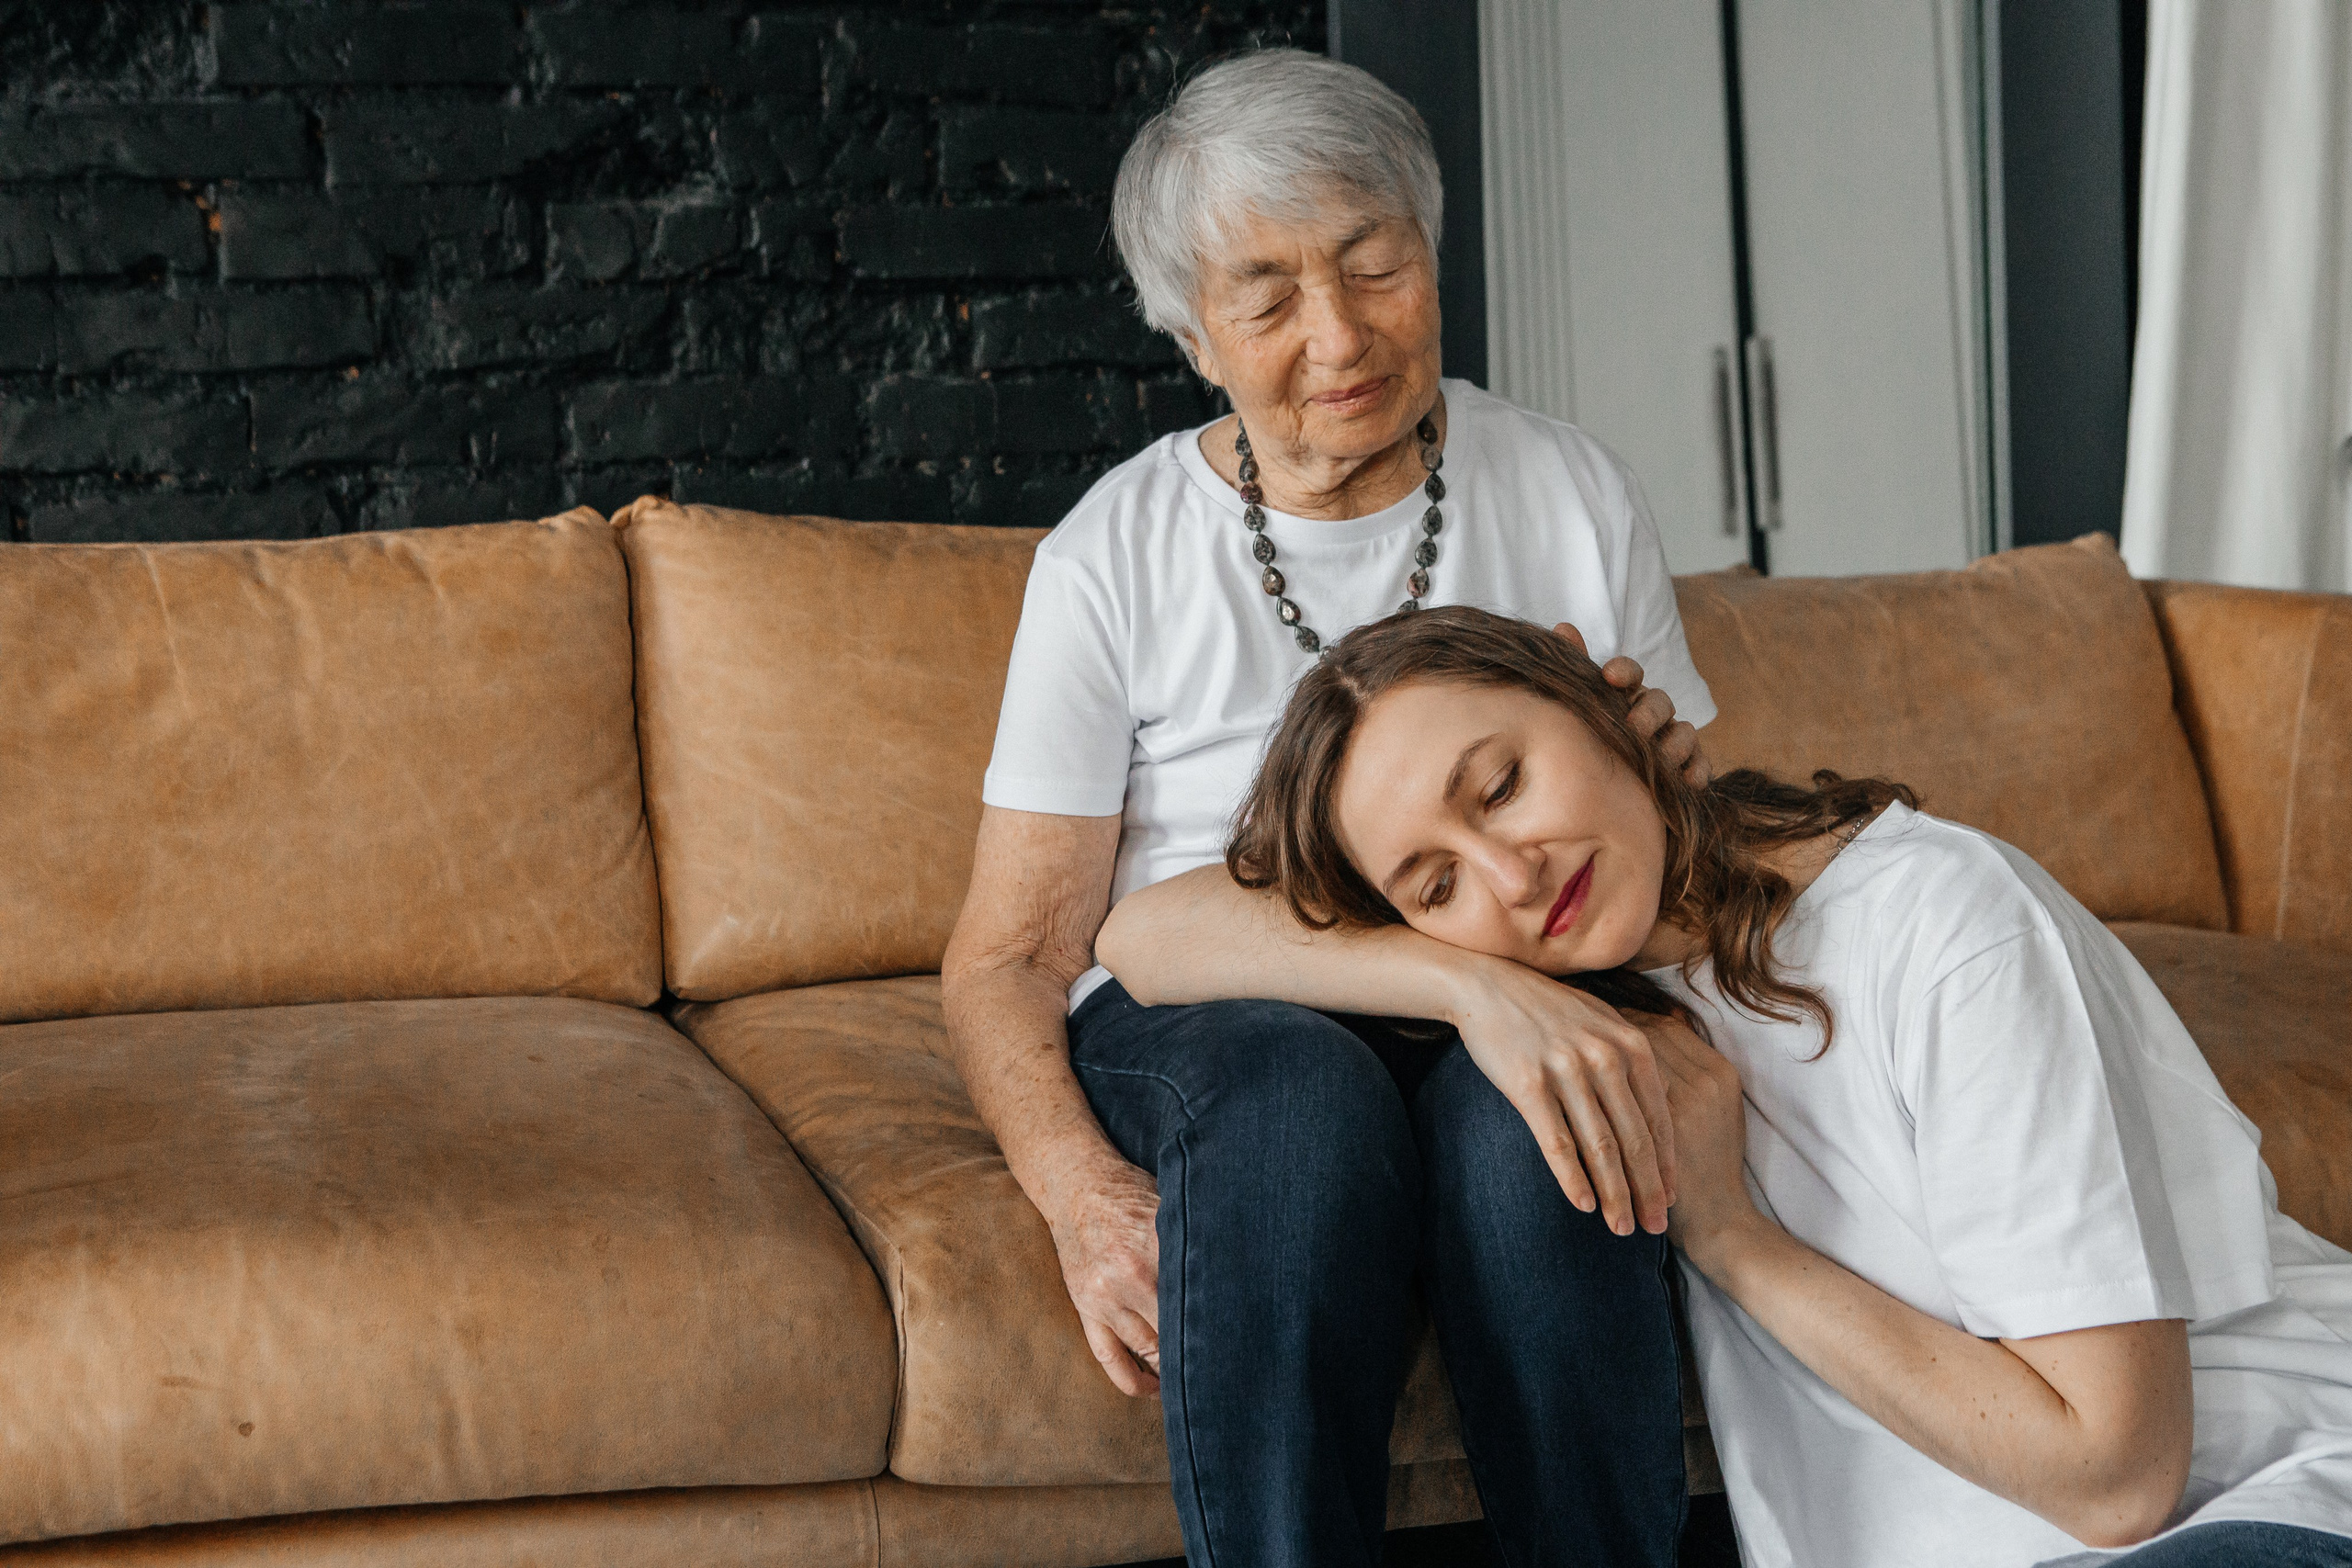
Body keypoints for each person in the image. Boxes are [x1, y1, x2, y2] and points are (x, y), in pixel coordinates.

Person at [1099, 603, 2352, 1568]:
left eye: (1501, 785)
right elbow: (1143, 940)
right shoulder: (1575, 995)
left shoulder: (1945, 929)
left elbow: (2117, 1474)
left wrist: (1732, 1236)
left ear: (1601, 703)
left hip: (2267, 1500)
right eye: (1436, 887)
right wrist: (1472, 990)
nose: (1512, 873)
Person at [942, 46, 1715, 1568]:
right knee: (1296, 1098)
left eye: (1378, 266)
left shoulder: (1568, 489)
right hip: (1207, 1004)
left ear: (1432, 254)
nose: (1341, 335)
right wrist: (1082, 1197)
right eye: (1269, 295)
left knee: (1539, 1119)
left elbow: (1673, 832)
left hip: (1515, 976)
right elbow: (1007, 958)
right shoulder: (1113, 553)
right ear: (1189, 330)